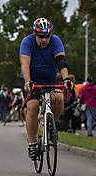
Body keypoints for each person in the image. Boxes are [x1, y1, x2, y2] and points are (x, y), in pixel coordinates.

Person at [20, 18, 70, 159]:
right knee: (33, 106)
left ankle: (50, 124)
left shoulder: (55, 41)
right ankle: (32, 143)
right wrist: (28, 81)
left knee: (59, 98)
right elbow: (25, 64)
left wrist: (66, 79)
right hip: (32, 79)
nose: (44, 40)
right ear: (35, 34)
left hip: (49, 77)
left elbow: (61, 61)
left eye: (47, 36)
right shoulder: (27, 42)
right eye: (41, 36)